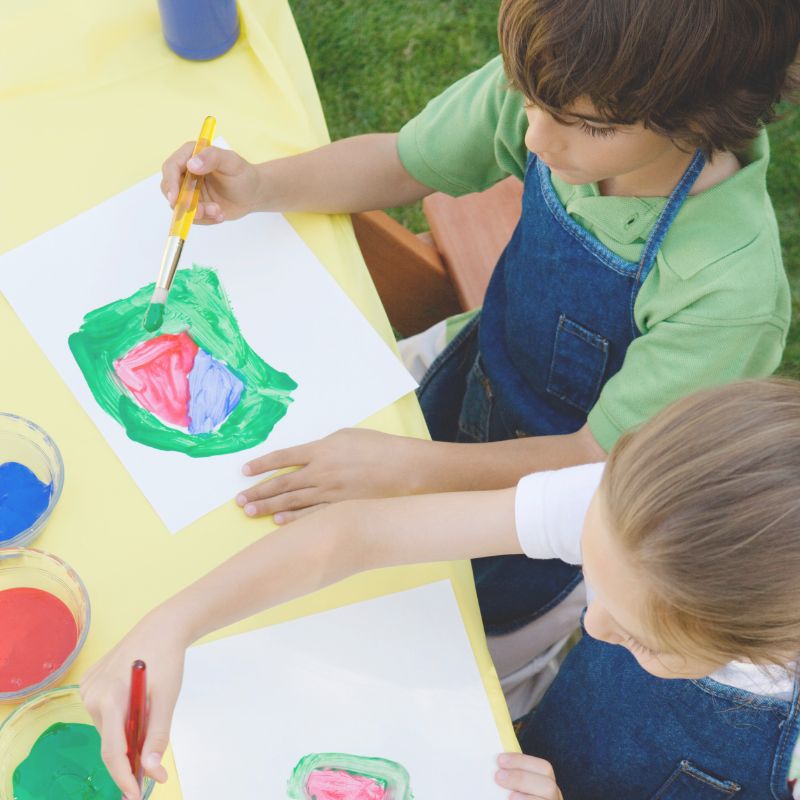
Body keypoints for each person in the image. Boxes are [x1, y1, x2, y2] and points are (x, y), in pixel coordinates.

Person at [158, 0, 798, 709]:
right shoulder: (563, 82)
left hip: (561, 524)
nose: (538, 138)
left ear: (704, 116)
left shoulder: (726, 292)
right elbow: (407, 160)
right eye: (530, 102)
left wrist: (412, 469)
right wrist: (264, 187)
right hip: (471, 375)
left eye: (590, 127)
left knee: (456, 660)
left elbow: (600, 466)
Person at [83, 378, 800, 799]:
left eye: (638, 636)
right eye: (590, 577)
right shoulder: (635, 511)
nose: (592, 626)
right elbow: (355, 536)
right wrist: (170, 627)